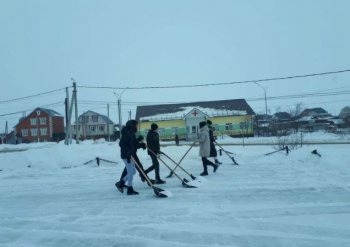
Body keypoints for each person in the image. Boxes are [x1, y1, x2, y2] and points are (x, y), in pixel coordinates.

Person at [115, 120, 144, 195]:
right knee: (130, 172)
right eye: (136, 125)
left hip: (131, 154)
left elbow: (133, 144)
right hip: (126, 155)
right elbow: (121, 144)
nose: (137, 126)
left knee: (133, 172)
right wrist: (127, 153)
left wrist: (140, 144)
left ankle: (121, 183)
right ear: (132, 125)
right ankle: (130, 189)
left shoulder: (131, 133)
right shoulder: (127, 133)